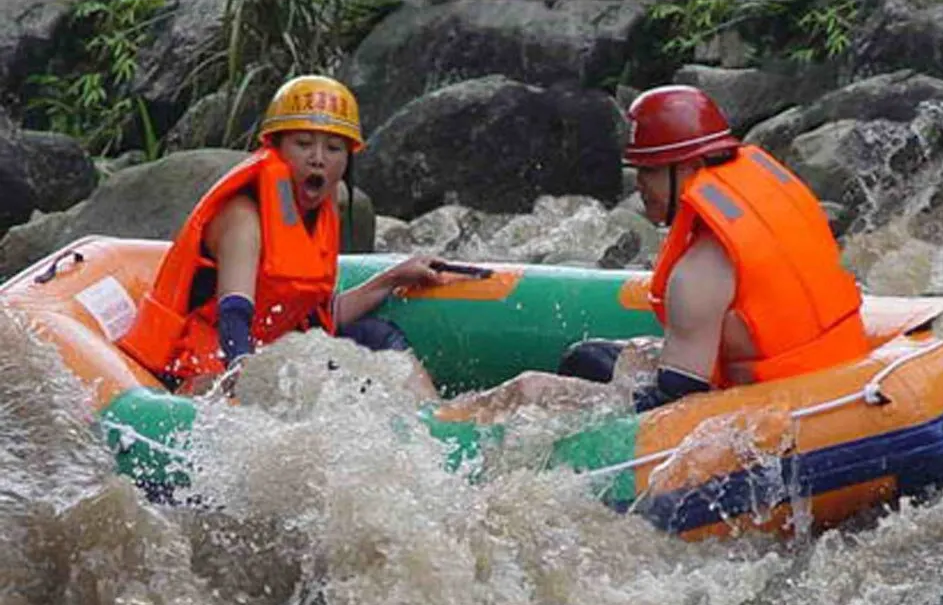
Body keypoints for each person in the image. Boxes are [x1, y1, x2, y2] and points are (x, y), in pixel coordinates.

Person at [439, 84, 870, 420]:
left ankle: (444, 424)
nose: (639, 185)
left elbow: (677, 406)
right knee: (586, 358)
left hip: (777, 407)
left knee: (531, 388)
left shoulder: (698, 273)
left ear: (690, 168)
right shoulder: (771, 205)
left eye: (649, 170)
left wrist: (545, 395)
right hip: (835, 369)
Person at [117, 74, 445, 393]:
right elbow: (234, 314)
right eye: (303, 144)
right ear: (276, 148)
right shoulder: (243, 217)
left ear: (347, 160)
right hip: (202, 364)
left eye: (333, 148)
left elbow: (317, 319)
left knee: (378, 336)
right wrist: (245, 370)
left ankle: (437, 420)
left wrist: (393, 278)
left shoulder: (318, 217)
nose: (318, 159)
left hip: (273, 352)